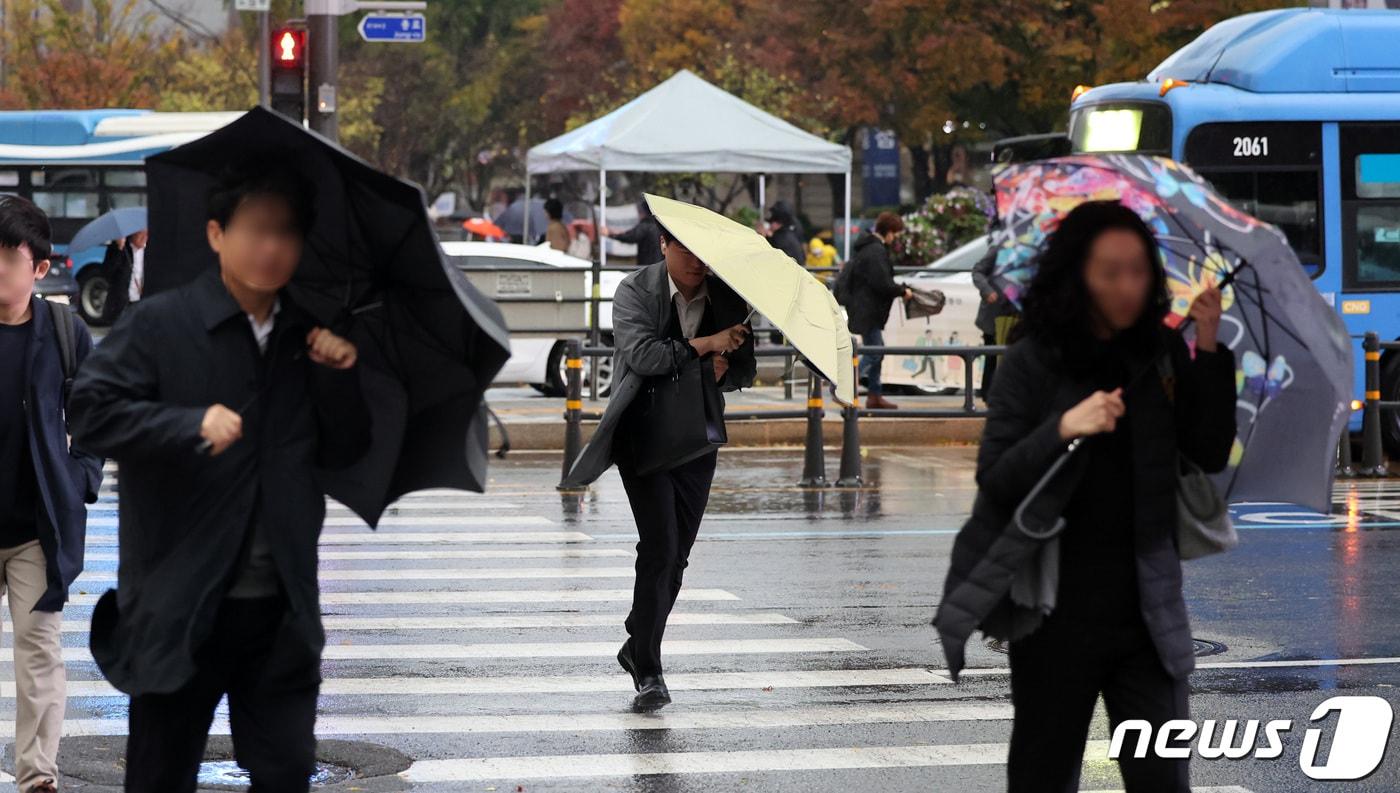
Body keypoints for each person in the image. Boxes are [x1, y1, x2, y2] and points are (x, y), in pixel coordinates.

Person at [68, 160, 373, 792]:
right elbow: (89, 413)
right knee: (160, 776)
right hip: (181, 606)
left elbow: (347, 451)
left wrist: (339, 377)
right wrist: (186, 424)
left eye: (287, 232)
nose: (271, 247)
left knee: (286, 772)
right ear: (216, 235)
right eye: (255, 229)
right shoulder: (161, 324)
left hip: (281, 613)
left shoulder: (309, 335)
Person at [936, 201, 1236, 793]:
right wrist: (1064, 427)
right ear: (1078, 274)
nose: (1128, 286)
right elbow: (995, 476)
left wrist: (1207, 344)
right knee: (1043, 776)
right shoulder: (1034, 360)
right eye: (1109, 272)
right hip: (1055, 617)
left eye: (1138, 270)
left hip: (1149, 613)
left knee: (1162, 781)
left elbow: (1206, 452)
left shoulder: (1160, 354)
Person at [560, 224, 755, 711]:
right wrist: (705, 348)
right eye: (684, 246)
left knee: (678, 555)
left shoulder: (727, 294)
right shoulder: (635, 290)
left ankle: (636, 641)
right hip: (643, 435)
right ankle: (649, 667)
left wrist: (728, 366)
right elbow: (642, 355)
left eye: (702, 249)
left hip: (697, 437)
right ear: (664, 246)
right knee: (661, 546)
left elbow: (747, 365)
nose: (695, 259)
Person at [0, 195, 102, 793]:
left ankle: (37, 775)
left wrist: (78, 479)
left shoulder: (64, 332)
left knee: (39, 658)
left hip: (37, 529)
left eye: (8, 260)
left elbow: (95, 419)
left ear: (39, 269)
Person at [840, 211, 911, 410]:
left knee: (877, 350)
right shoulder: (875, 251)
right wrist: (902, 291)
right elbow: (882, 283)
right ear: (888, 232)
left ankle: (874, 394)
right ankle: (844, 385)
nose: (895, 238)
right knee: (875, 352)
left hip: (864, 308)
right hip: (868, 310)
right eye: (895, 234)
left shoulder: (868, 248)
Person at [971, 246, 1017, 398]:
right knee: (992, 355)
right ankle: (989, 394)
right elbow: (977, 271)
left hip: (1018, 312)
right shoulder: (1000, 247)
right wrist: (987, 290)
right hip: (995, 313)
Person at [604, 200, 663, 265]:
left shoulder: (645, 225)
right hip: (660, 265)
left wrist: (610, 234)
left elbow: (630, 236)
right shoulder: (660, 225)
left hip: (648, 265)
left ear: (643, 212)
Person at [763, 201, 805, 265]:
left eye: (772, 222)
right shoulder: (789, 232)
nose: (770, 225)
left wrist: (766, 238)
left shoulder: (780, 238)